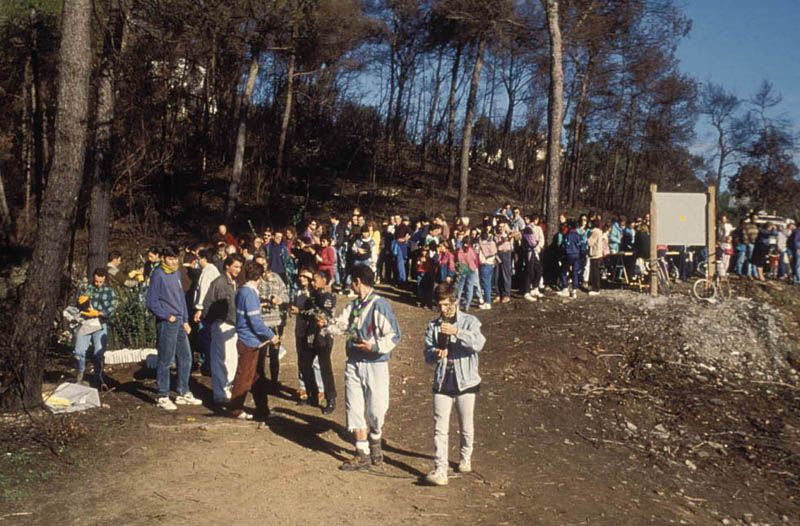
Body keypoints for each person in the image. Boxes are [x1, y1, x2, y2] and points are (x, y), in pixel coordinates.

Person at [320, 265, 401, 471]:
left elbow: (393, 335)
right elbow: (341, 324)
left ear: (358, 281)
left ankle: (375, 437)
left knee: (376, 409)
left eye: (352, 282)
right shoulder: (353, 305)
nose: (350, 286)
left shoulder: (379, 305)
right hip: (354, 362)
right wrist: (326, 325)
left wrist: (373, 346)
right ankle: (362, 452)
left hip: (375, 364)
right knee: (353, 406)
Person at [423, 282, 486, 486]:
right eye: (439, 305)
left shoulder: (470, 321)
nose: (442, 309)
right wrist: (435, 353)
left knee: (466, 425)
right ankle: (441, 469)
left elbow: (479, 343)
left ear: (455, 302)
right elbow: (427, 355)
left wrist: (457, 332)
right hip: (442, 380)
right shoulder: (433, 326)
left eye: (446, 305)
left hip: (465, 381)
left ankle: (465, 457)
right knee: (440, 427)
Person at [146, 245, 203, 410]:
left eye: (175, 258)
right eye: (170, 259)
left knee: (186, 358)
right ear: (163, 258)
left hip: (180, 322)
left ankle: (183, 392)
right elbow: (151, 302)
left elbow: (181, 297)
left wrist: (185, 320)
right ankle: (163, 395)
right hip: (167, 322)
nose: (173, 262)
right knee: (165, 360)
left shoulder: (177, 273)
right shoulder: (158, 275)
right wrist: (166, 316)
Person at [229, 261, 280, 420]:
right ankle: (235, 409)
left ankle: (262, 408)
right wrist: (271, 335)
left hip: (250, 339)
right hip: (249, 340)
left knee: (257, 375)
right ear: (259, 277)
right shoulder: (250, 293)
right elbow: (255, 322)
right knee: (245, 376)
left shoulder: (243, 291)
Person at [202, 253, 244, 408]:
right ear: (227, 265)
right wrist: (214, 322)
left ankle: (228, 390)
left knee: (232, 359)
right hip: (220, 324)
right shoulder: (219, 283)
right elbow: (207, 305)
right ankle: (220, 394)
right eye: (235, 266)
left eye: (240, 267)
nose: (238, 270)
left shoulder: (236, 283)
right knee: (220, 360)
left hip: (233, 324)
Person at [301, 270, 338, 415]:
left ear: (323, 280)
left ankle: (331, 399)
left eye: (315, 280)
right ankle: (313, 394)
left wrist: (304, 312)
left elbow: (323, 314)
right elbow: (305, 311)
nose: (312, 283)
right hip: (310, 335)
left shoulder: (328, 296)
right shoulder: (311, 296)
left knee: (325, 368)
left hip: (323, 337)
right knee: (305, 365)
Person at [73, 268, 118, 386]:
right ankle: (80, 374)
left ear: (105, 280)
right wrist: (80, 302)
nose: (97, 284)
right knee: (79, 351)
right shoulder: (86, 289)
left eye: (100, 282)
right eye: (96, 281)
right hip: (86, 323)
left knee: (98, 352)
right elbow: (77, 305)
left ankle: (98, 377)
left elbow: (112, 308)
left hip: (100, 324)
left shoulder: (109, 292)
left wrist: (99, 313)